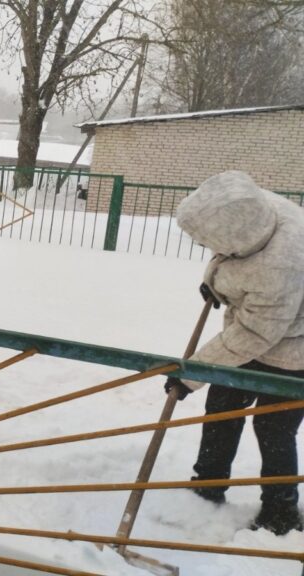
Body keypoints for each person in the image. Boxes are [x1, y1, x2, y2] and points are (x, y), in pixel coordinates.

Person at [164, 170, 304, 535]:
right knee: (222, 407)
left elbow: (253, 334)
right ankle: (207, 487)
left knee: (273, 426)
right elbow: (230, 254)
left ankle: (281, 512)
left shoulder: (280, 266)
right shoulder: (256, 211)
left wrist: (191, 373)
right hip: (264, 326)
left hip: (296, 352)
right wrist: (216, 285)